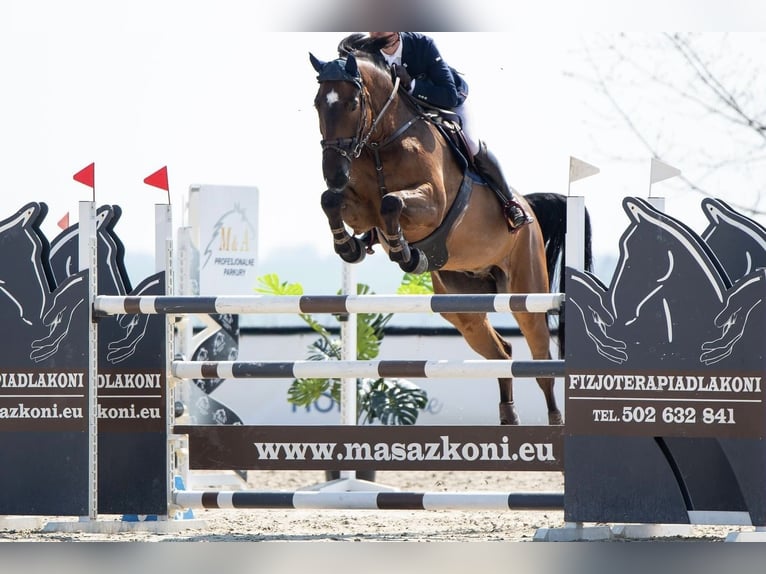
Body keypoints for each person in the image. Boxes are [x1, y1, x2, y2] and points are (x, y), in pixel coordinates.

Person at [367, 32, 531, 230]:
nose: (374, 31)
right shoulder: (369, 53)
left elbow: (449, 95)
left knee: (471, 143)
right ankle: (375, 223)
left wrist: (411, 84)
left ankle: (509, 202)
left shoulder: (422, 45)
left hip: (448, 101)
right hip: (410, 111)